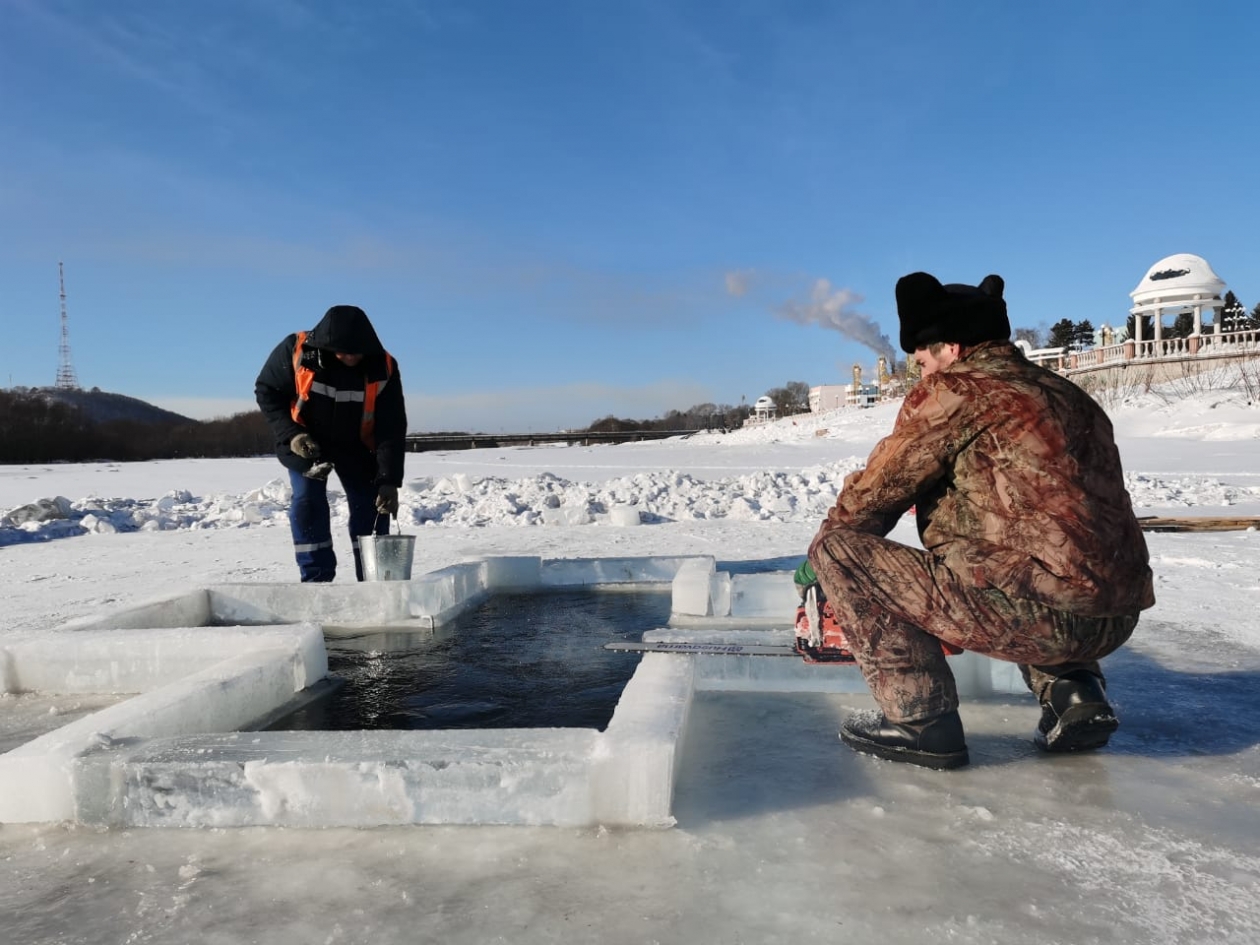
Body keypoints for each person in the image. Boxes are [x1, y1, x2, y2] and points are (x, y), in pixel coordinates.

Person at [801, 272, 1154, 769]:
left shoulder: (954, 393)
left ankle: (921, 722)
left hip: (1037, 618)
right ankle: (1075, 690)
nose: (920, 369)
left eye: (922, 356)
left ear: (949, 346)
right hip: (1117, 617)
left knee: (839, 549)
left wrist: (821, 561)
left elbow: (874, 495)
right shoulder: (1068, 394)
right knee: (1037, 556)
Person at [255, 305, 407, 582]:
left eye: (356, 351)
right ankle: (317, 581)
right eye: (342, 350)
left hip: (357, 446)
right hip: (307, 443)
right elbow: (268, 392)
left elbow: (391, 427)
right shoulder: (296, 350)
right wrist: (292, 435)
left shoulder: (383, 366)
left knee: (371, 507)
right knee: (308, 502)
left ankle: (378, 582)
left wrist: (388, 479)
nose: (350, 356)